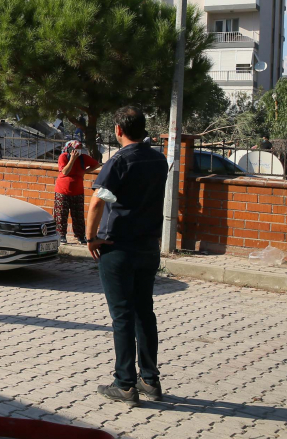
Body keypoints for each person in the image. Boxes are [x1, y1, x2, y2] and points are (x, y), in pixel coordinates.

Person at [86, 106, 169, 407]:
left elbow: (98, 200)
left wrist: (90, 237)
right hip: (148, 246)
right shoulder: (159, 159)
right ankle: (150, 379)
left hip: (117, 246)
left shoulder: (119, 161)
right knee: (144, 313)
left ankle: (124, 384)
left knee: (122, 316)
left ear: (118, 130)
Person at [53, 140, 100, 245]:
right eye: (76, 148)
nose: (78, 150)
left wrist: (84, 171)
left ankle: (80, 235)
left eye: (79, 148)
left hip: (77, 191)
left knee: (78, 215)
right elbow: (65, 171)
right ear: (70, 149)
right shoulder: (63, 157)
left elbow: (96, 165)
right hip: (62, 190)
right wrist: (72, 160)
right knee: (61, 214)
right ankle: (61, 235)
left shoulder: (83, 158)